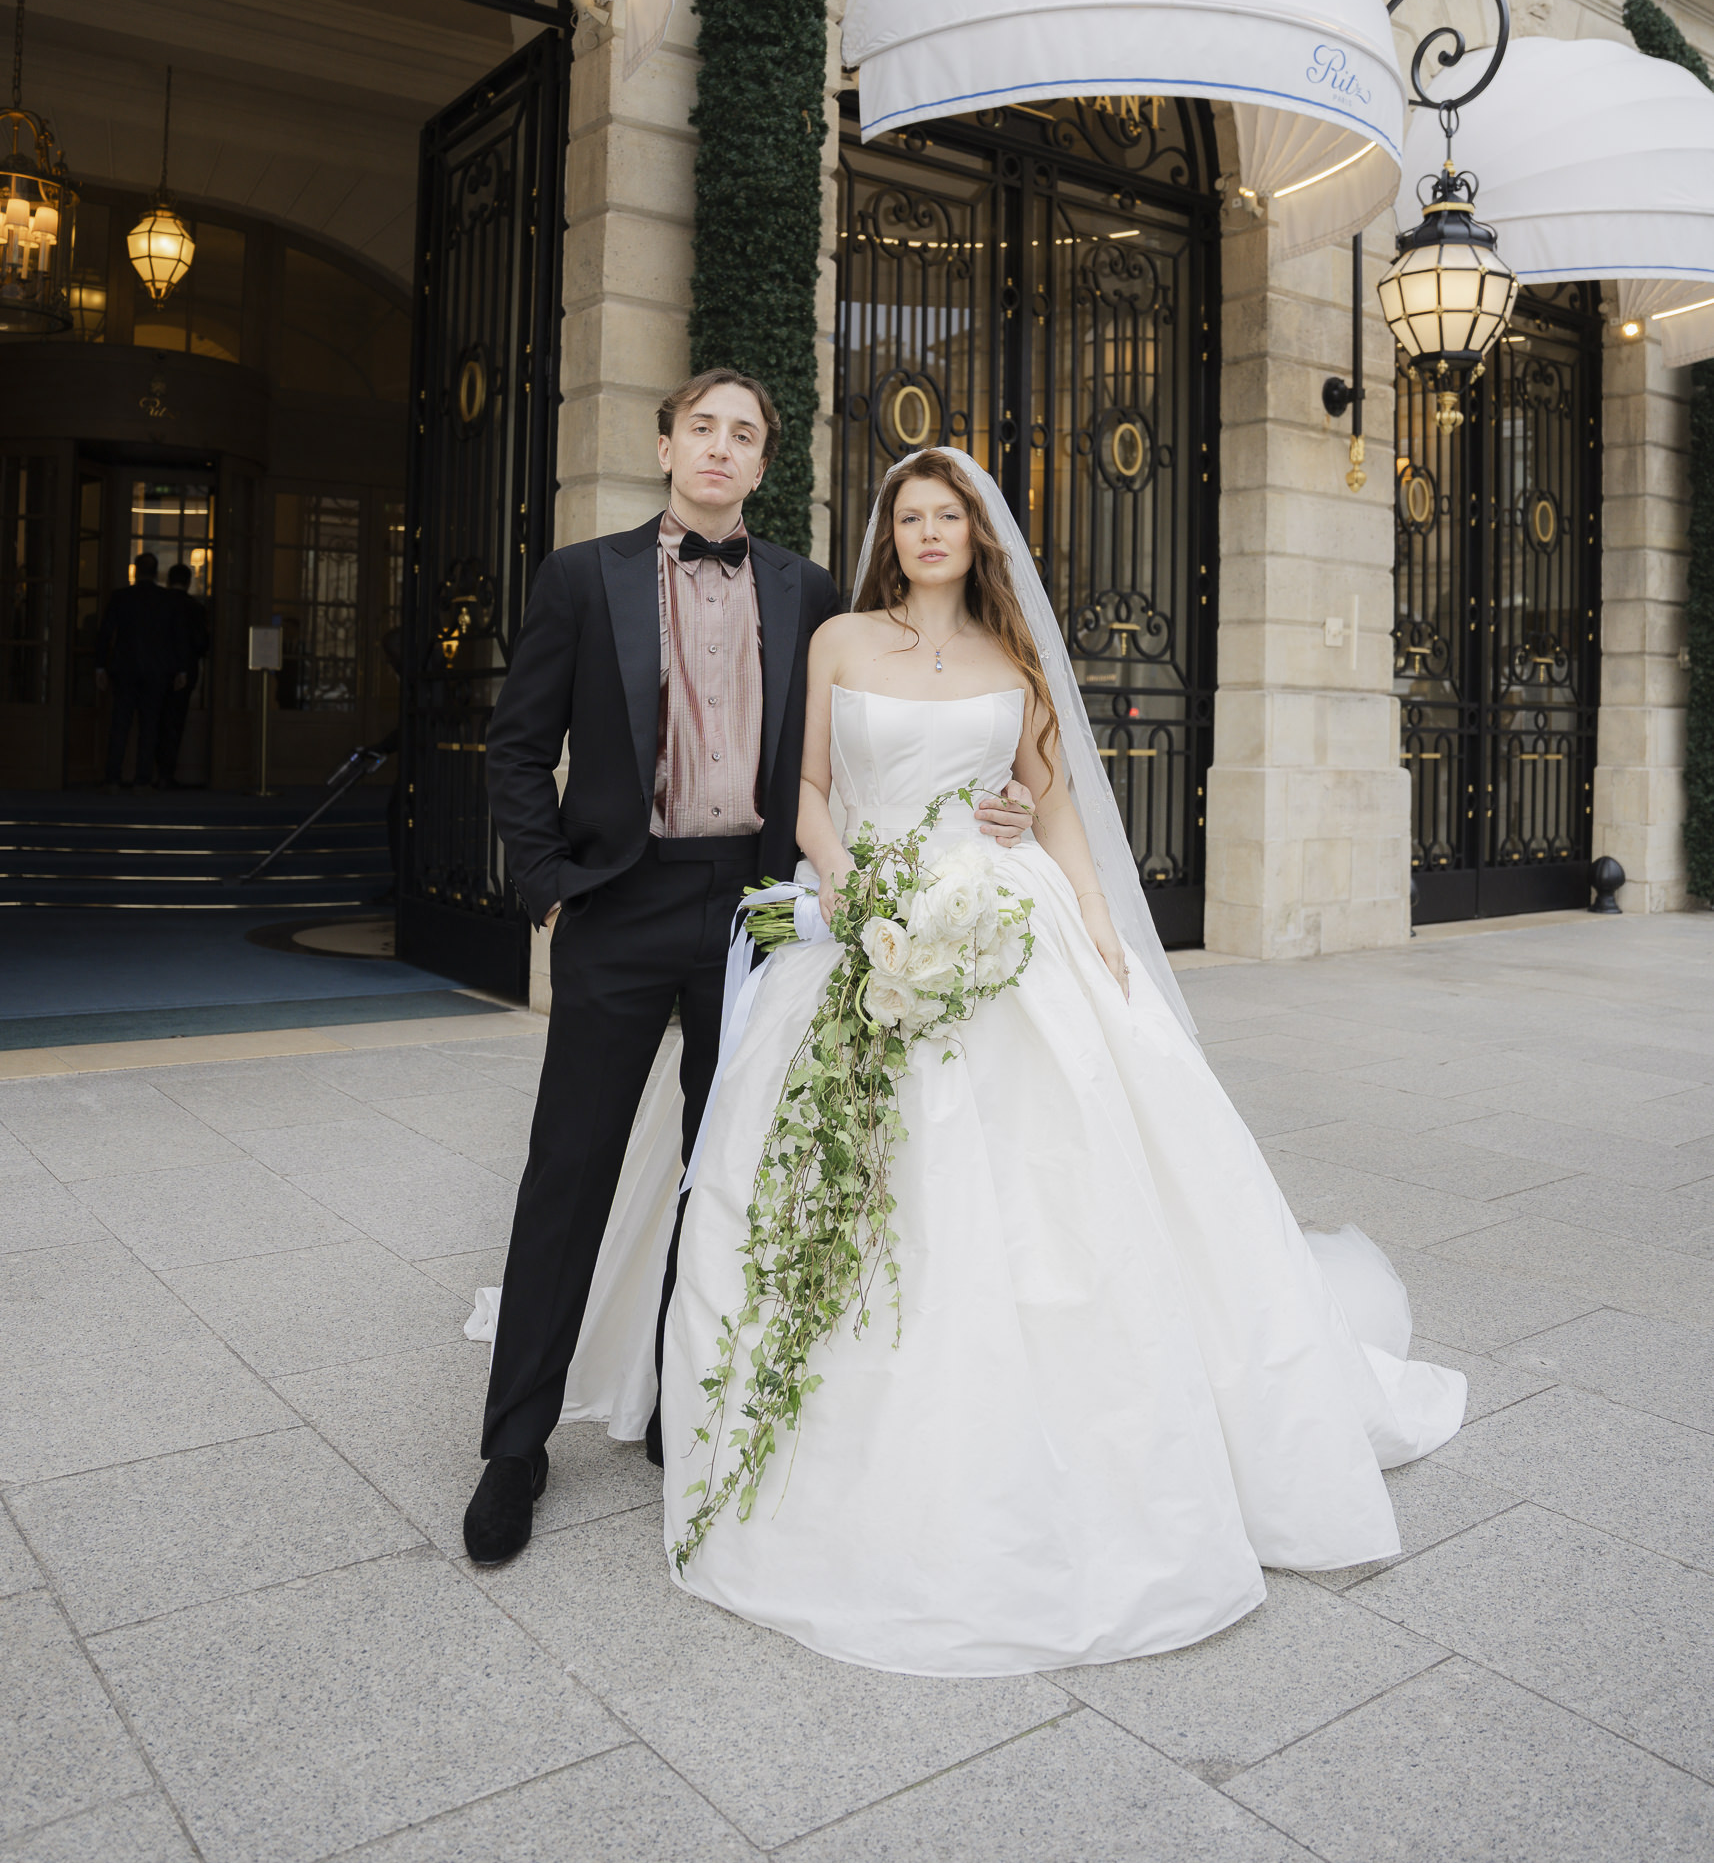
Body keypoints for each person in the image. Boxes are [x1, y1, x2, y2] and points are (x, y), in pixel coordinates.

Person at [544, 446, 1467, 1675]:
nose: (928, 533)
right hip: (866, 911)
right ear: (889, 536)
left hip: (1001, 915)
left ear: (977, 536)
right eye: (910, 517)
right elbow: (806, 788)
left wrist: (1091, 912)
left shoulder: (1013, 656)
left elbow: (1051, 796)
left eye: (949, 516)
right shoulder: (838, 641)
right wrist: (849, 885)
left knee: (1056, 1175)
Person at [466, 374, 1041, 1567]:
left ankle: (679, 1394)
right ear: (666, 446)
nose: (719, 450)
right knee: (569, 1168)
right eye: (702, 430)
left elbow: (865, 743)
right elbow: (517, 748)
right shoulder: (580, 577)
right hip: (620, 902)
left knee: (724, 1160)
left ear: (764, 465)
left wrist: (995, 806)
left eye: (743, 436)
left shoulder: (809, 592)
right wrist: (550, 887)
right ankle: (514, 1447)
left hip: (761, 912)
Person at [95, 553, 184, 791]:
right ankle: (142, 780)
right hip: (156, 670)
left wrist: (100, 666)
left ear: (135, 571)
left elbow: (105, 634)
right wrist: (180, 669)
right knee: (150, 726)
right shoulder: (167, 600)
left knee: (120, 724)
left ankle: (113, 778)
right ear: (156, 573)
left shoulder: (121, 597)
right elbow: (176, 637)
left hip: (125, 668)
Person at [155, 561, 210, 788]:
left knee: (153, 721)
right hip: (185, 671)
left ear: (168, 581)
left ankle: (148, 772)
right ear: (188, 583)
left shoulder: (158, 603)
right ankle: (166, 773)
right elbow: (202, 643)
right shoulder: (195, 608)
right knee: (175, 723)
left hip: (156, 669)